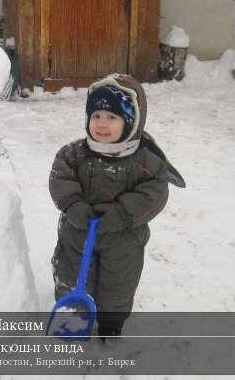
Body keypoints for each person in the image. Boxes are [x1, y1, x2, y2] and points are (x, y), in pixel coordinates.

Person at [49, 74, 184, 342]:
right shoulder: (74, 153)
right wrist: (73, 205)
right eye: (96, 115)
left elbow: (155, 191)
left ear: (131, 122)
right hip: (79, 231)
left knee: (118, 282)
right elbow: (60, 177)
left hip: (123, 237)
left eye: (112, 117)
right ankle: (73, 316)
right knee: (73, 274)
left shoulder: (145, 158)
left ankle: (111, 323)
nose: (101, 124)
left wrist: (122, 214)